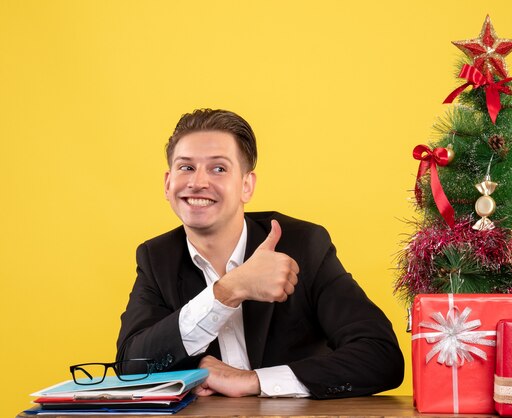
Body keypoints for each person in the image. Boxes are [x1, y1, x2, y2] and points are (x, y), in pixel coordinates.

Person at [116, 108, 404, 399]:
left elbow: (381, 355)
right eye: (186, 167)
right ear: (168, 184)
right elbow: (131, 366)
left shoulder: (303, 244)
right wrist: (228, 290)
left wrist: (254, 381)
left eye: (218, 168)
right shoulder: (156, 257)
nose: (197, 182)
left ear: (246, 185)